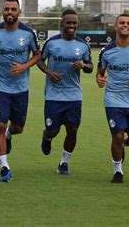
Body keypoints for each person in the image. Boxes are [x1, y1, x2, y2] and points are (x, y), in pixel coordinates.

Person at [0, 0, 41, 182]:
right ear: (2, 12)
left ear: (19, 12)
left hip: (21, 88)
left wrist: (24, 66)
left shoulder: (28, 33)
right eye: (7, 9)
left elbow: (37, 55)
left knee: (18, 128)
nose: (10, 13)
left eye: (13, 9)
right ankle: (4, 167)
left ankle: (8, 135)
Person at [37, 9, 93, 175]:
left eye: (74, 23)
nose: (71, 26)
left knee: (72, 129)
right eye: (68, 22)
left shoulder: (83, 45)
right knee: (53, 130)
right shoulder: (51, 43)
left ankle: (64, 163)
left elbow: (90, 66)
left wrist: (83, 65)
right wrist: (49, 72)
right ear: (62, 23)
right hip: (53, 95)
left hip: (74, 95)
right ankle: (47, 137)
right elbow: (39, 60)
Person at [97, 14, 129, 183]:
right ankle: (118, 171)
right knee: (117, 136)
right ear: (116, 26)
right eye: (122, 23)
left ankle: (122, 147)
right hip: (113, 100)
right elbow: (100, 73)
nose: (125, 25)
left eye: (128, 23)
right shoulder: (107, 51)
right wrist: (99, 80)